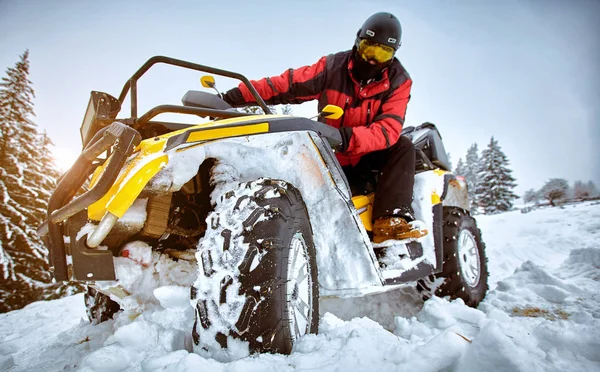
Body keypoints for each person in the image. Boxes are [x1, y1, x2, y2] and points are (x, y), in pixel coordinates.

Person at [220, 12, 427, 243]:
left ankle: (390, 220)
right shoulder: (333, 68)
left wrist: (347, 137)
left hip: (365, 157)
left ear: (393, 54)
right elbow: (285, 85)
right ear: (358, 42)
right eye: (369, 49)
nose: (372, 60)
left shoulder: (399, 81)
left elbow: (388, 129)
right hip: (329, 155)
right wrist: (233, 97)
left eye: (382, 53)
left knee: (403, 146)